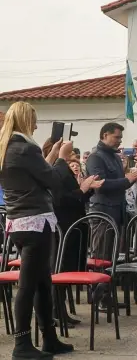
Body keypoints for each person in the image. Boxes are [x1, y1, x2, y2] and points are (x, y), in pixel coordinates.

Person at [0, 101, 74, 358]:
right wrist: (63, 160)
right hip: (35, 221)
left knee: (42, 282)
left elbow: (37, 174)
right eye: (33, 119)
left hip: (19, 221)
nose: (36, 124)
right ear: (24, 120)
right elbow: (52, 180)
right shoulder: (25, 148)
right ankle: (22, 345)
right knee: (29, 285)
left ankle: (49, 338)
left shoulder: (8, 147)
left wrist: (51, 155)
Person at [42, 139, 103, 327]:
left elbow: (75, 196)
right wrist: (83, 188)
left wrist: (87, 189)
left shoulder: (61, 168)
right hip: (64, 225)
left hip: (72, 224)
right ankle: (56, 312)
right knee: (58, 270)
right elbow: (62, 198)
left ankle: (62, 310)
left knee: (66, 270)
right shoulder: (56, 169)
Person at [86, 123, 137, 309]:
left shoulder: (115, 157)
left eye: (120, 138)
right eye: (116, 137)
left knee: (111, 257)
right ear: (105, 135)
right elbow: (101, 184)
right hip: (102, 212)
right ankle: (98, 297)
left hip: (117, 211)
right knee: (100, 256)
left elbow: (120, 184)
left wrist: (131, 178)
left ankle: (107, 295)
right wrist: (127, 179)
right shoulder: (95, 157)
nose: (119, 141)